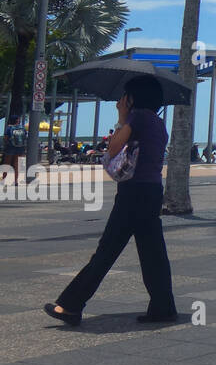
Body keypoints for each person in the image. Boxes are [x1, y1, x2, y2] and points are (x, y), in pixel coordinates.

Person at [45, 76, 178, 326]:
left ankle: (71, 305)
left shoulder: (136, 118)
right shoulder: (158, 123)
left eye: (123, 97)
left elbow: (114, 148)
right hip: (150, 192)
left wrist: (121, 118)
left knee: (107, 251)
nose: (119, 101)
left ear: (131, 98)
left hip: (133, 194)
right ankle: (163, 307)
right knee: (153, 253)